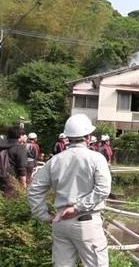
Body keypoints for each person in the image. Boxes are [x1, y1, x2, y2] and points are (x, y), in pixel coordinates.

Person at [27, 114, 111, 267]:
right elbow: (103, 189)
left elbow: (34, 190)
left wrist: (44, 215)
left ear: (68, 137)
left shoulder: (54, 161)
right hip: (87, 222)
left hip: (61, 223)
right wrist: (77, 208)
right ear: (88, 136)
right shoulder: (96, 158)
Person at [0, 126, 27, 196]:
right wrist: (24, 186)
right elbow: (22, 169)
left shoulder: (2, 145)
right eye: (23, 135)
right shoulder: (20, 148)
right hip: (11, 180)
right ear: (20, 136)